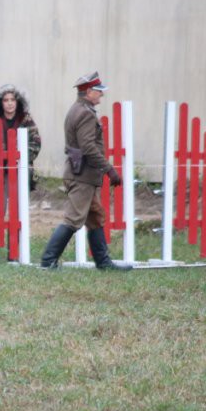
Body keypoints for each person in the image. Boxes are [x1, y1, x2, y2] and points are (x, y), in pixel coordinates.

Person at [39, 71, 129, 270]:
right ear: (89, 92)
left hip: (82, 175)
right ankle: (47, 261)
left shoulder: (77, 110)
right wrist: (109, 169)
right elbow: (88, 147)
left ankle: (103, 263)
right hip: (83, 177)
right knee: (73, 219)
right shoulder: (85, 114)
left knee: (95, 217)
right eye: (99, 91)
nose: (101, 95)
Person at [0, 84, 42, 261]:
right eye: (5, 100)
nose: (9, 104)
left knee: (17, 212)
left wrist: (18, 156)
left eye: (12, 100)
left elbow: (36, 144)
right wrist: (4, 154)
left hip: (20, 171)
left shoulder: (26, 120)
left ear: (18, 102)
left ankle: (14, 252)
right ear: (0, 103)